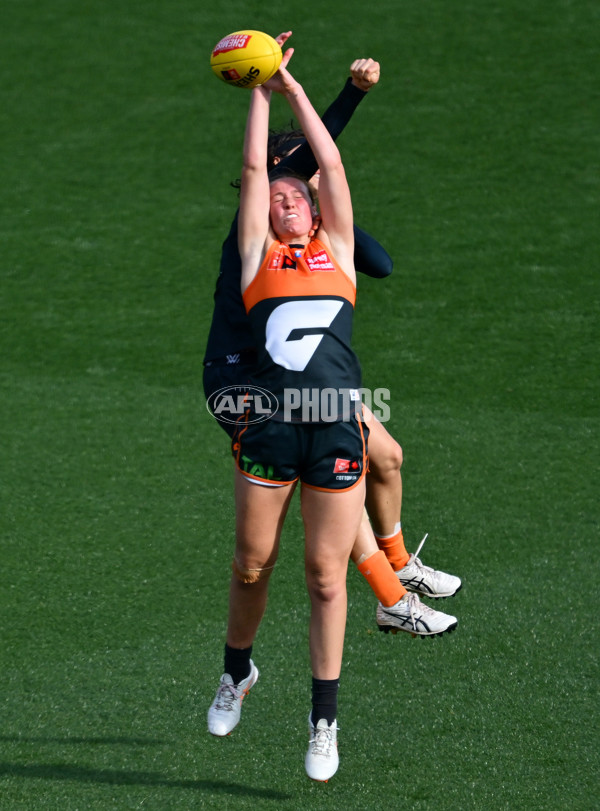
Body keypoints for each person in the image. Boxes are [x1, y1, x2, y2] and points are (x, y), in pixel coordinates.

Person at [203, 49, 461, 636]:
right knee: (337, 475)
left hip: (299, 376)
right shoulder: (255, 226)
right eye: (293, 170)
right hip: (243, 379)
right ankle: (392, 596)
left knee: (386, 456)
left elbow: (379, 263)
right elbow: (294, 161)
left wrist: (321, 197)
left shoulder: (310, 229)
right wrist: (351, 93)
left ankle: (400, 567)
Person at [206, 35, 394, 781]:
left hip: (335, 426)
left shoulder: (338, 251)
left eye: (295, 196)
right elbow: (256, 169)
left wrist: (295, 89)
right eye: (275, 197)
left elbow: (333, 165)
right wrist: (258, 90)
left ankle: (323, 721)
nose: (283, 200)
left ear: (314, 208)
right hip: (271, 426)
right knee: (253, 565)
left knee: (325, 577)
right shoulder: (256, 256)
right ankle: (237, 671)